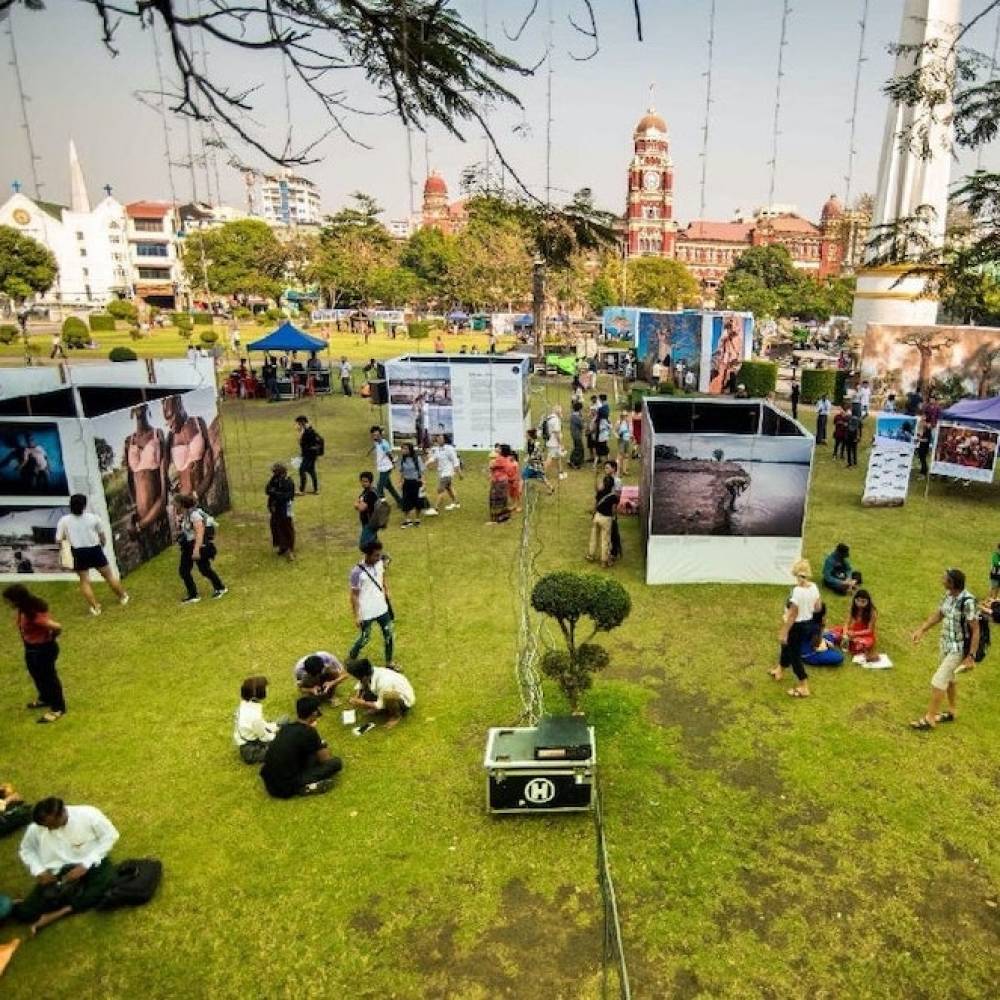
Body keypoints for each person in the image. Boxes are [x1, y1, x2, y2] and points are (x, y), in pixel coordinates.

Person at [13, 798, 119, 935]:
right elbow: (27, 850)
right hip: (58, 872)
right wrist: (40, 871)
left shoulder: (88, 814)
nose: (49, 829)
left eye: (52, 825)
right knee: (25, 914)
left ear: (62, 813)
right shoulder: (37, 828)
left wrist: (85, 865)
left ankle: (60, 912)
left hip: (93, 863)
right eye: (46, 826)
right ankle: (31, 902)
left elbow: (110, 836)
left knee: (105, 884)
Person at [910, 568, 979, 731]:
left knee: (938, 680)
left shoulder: (968, 601)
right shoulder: (948, 596)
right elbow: (939, 615)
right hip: (945, 644)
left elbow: (975, 630)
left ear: (952, 583)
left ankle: (930, 719)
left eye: (945, 579)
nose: (942, 580)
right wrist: (921, 630)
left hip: (959, 648)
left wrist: (971, 656)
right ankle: (952, 711)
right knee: (950, 679)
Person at [56, 494, 129, 616]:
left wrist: (65, 549)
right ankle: (123, 596)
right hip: (95, 550)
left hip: (78, 552)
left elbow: (59, 539)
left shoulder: (64, 521)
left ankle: (96, 607)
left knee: (84, 581)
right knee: (109, 576)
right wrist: (102, 545)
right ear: (84, 506)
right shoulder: (93, 518)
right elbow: (102, 536)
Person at [4, 584, 65, 724]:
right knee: (36, 674)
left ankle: (58, 708)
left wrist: (51, 638)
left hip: (43, 650)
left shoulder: (34, 614)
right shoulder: (24, 609)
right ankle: (45, 698)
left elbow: (57, 626)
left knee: (49, 678)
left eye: (9, 600)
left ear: (17, 600)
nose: (7, 603)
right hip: (31, 649)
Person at [260, 696, 342, 798]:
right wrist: (321, 743)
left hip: (270, 782)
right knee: (336, 763)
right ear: (314, 713)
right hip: (286, 787)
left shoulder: (286, 728)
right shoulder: (309, 732)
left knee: (309, 754)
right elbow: (326, 759)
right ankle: (304, 787)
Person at [769, 559, 821, 697]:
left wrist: (783, 632)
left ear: (797, 574)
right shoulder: (814, 587)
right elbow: (818, 607)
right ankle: (780, 669)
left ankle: (804, 685)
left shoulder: (797, 591)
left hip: (796, 626)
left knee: (794, 655)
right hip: (807, 623)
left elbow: (792, 614)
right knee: (786, 647)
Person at [124, 405, 170, 553]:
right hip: (140, 514)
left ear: (148, 408)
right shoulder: (128, 441)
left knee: (164, 552)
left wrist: (141, 525)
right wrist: (134, 512)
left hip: (156, 508)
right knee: (147, 556)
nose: (139, 408)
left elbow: (164, 486)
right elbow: (130, 479)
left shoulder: (157, 434)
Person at [348, 541, 396, 667]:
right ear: (367, 555)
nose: (379, 557)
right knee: (365, 638)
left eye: (379, 554)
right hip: (367, 611)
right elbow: (354, 595)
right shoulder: (357, 573)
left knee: (389, 635)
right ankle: (351, 657)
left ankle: (389, 661)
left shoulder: (380, 563)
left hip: (382, 608)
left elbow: (382, 575)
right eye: (376, 555)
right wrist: (357, 616)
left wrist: (386, 589)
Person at [173, 492, 226, 604]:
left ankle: (220, 588)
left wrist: (196, 550)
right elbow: (188, 530)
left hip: (197, 545)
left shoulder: (194, 515)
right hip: (187, 546)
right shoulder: (185, 514)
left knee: (204, 569)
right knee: (184, 571)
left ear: (181, 504)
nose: (174, 506)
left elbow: (200, 532)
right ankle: (193, 595)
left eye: (175, 503)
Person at [163, 395, 215, 502]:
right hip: (183, 502)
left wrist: (196, 495)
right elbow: (163, 473)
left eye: (171, 417)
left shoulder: (199, 423)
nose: (169, 425)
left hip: (200, 497)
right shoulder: (170, 437)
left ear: (179, 404)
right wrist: (174, 492)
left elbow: (210, 467)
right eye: (166, 421)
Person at [346, 657, 416, 729]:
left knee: (389, 696)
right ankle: (382, 709)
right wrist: (357, 696)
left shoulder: (384, 682)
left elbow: (380, 705)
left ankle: (396, 716)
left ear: (364, 677)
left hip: (404, 699)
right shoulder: (370, 671)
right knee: (366, 694)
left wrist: (362, 703)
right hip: (384, 690)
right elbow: (361, 684)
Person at [233, 676, 280, 764]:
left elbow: (261, 727)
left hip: (249, 740)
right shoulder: (254, 716)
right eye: (266, 689)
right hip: (252, 750)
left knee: (282, 722)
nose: (268, 690)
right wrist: (276, 735)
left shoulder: (245, 705)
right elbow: (264, 737)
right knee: (283, 746)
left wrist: (273, 727)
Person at [829, 589, 879, 659]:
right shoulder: (853, 608)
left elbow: (869, 630)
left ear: (868, 601)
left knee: (861, 645)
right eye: (857, 600)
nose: (860, 603)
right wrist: (845, 633)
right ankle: (840, 640)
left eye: (863, 601)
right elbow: (846, 623)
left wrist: (855, 633)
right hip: (852, 630)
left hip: (865, 635)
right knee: (834, 633)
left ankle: (848, 643)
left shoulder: (872, 612)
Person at [399, 442, 435, 526]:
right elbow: (401, 472)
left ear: (410, 450)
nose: (403, 450)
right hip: (407, 482)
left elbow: (421, 471)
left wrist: (424, 483)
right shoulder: (402, 459)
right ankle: (407, 519)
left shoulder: (416, 459)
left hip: (416, 482)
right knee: (406, 501)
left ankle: (417, 518)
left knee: (417, 501)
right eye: (402, 448)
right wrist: (400, 481)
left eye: (405, 449)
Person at [587, 474, 619, 568]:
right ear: (612, 485)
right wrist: (614, 517)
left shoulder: (600, 492)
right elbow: (613, 509)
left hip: (597, 516)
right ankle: (604, 561)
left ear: (604, 484)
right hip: (606, 519)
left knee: (593, 537)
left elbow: (596, 503)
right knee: (605, 540)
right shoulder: (613, 497)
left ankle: (590, 555)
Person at [265, 462, 295, 560]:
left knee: (286, 526)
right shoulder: (275, 478)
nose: (274, 473)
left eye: (275, 471)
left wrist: (275, 493)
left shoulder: (288, 481)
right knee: (275, 526)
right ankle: (282, 546)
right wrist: (274, 493)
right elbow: (267, 489)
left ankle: (290, 548)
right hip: (275, 507)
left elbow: (287, 496)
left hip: (285, 507)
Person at [427, 433, 462, 510]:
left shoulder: (449, 448)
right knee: (449, 488)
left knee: (440, 490)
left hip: (448, 473)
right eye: (438, 438)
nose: (439, 440)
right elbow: (434, 458)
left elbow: (455, 460)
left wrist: (459, 473)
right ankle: (456, 503)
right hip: (441, 473)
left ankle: (435, 508)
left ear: (445, 440)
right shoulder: (437, 449)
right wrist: (427, 463)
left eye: (440, 438)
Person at [371, 426, 404, 506]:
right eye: (374, 435)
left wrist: (393, 463)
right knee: (389, 487)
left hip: (386, 468)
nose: (375, 437)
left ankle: (380, 504)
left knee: (379, 487)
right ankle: (400, 502)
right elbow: (375, 446)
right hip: (381, 467)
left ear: (380, 435)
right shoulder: (377, 442)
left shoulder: (384, 444)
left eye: (377, 435)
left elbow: (389, 455)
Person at [295, 415, 321, 495]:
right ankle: (316, 489)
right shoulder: (307, 430)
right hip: (310, 454)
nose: (298, 424)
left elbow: (304, 443)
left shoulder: (308, 430)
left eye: (299, 422)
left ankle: (302, 490)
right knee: (311, 471)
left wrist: (301, 434)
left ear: (302, 422)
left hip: (309, 455)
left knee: (302, 470)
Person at [522, 430, 555, 495]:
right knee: (524, 475)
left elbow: (538, 457)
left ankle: (551, 488)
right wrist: (528, 458)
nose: (525, 436)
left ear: (530, 436)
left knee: (542, 478)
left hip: (537, 466)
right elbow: (529, 453)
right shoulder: (529, 443)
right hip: (532, 465)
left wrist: (529, 459)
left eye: (526, 435)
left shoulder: (536, 446)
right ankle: (526, 489)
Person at [355, 471, 382, 549]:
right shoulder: (365, 491)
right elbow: (359, 501)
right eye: (362, 481)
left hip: (370, 523)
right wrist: (359, 503)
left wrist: (357, 504)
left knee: (364, 545)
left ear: (371, 481)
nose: (363, 483)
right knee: (373, 544)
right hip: (367, 522)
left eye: (366, 481)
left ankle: (381, 557)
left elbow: (361, 507)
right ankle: (381, 558)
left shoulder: (371, 493)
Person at [488, 446, 514, 523]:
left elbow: (491, 466)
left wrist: (492, 462)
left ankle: (496, 520)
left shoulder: (500, 459)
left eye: (499, 448)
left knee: (495, 499)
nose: (497, 449)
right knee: (503, 499)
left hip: (498, 482)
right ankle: (505, 517)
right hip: (503, 480)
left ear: (502, 451)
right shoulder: (506, 458)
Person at [544, 405, 567, 480]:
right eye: (560, 411)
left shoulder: (549, 417)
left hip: (550, 441)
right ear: (558, 412)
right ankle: (541, 473)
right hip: (554, 443)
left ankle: (561, 472)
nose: (561, 413)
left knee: (558, 457)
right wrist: (561, 444)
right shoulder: (556, 420)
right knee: (550, 459)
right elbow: (557, 433)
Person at [569, 401, 586, 470]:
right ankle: (574, 462)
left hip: (574, 434)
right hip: (577, 435)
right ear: (579, 409)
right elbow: (582, 426)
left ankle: (577, 462)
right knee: (578, 449)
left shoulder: (573, 415)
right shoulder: (576, 417)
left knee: (578, 448)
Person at [615, 410, 631, 476]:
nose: (625, 416)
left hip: (627, 440)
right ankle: (618, 471)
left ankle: (624, 471)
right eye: (624, 415)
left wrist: (631, 436)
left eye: (626, 415)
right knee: (620, 456)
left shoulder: (627, 422)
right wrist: (618, 436)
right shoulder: (619, 422)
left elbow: (628, 431)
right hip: (621, 440)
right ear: (621, 416)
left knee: (626, 455)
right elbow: (615, 431)